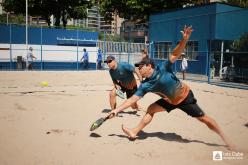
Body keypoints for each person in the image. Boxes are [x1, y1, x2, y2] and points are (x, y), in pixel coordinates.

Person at [108, 26, 234, 150]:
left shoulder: (163, 67)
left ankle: (225, 139)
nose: (139, 69)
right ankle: (134, 131)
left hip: (184, 97)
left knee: (204, 119)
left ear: (149, 66)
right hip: (169, 101)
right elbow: (131, 100)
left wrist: (184, 39)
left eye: (140, 67)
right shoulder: (145, 85)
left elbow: (175, 53)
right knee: (151, 109)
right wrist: (116, 110)